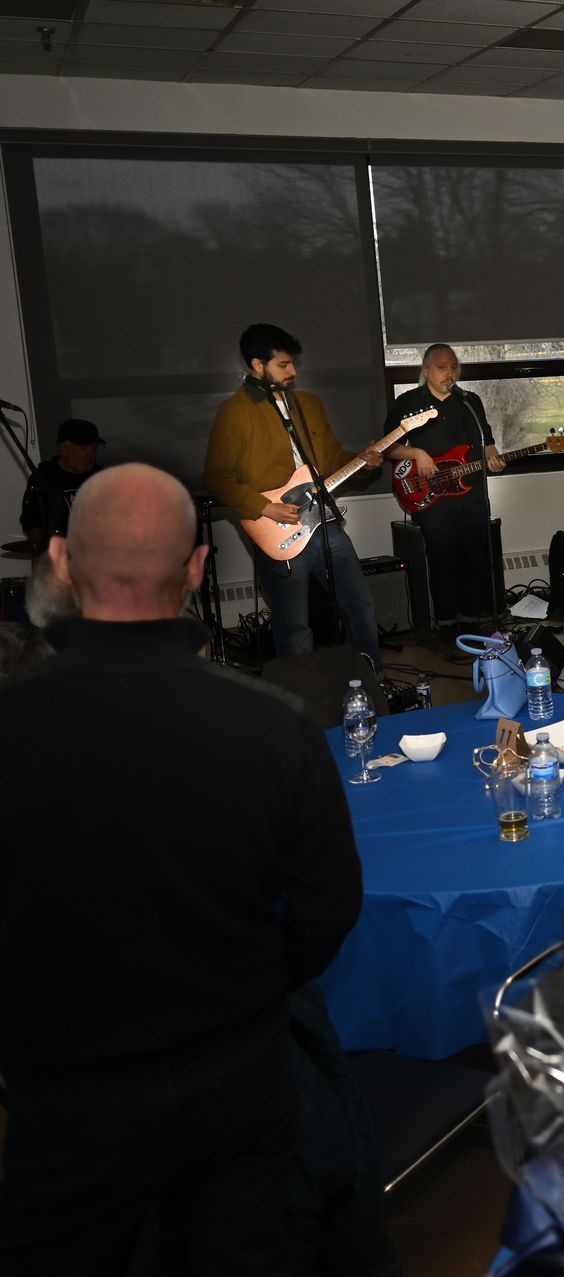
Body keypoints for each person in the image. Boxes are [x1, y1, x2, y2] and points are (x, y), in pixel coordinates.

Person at [0, 463, 363, 1272]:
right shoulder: (276, 726)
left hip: (65, 1089)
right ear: (198, 569)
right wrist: (252, 985)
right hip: (239, 1074)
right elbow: (330, 907)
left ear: (61, 563)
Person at [202, 323, 388, 671]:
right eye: (284, 364)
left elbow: (331, 459)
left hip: (323, 523)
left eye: (293, 363)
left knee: (360, 605)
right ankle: (302, 694)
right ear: (258, 365)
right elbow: (216, 478)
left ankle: (371, 679)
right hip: (278, 530)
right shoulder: (234, 412)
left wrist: (362, 462)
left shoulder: (309, 404)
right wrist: (266, 507)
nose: (294, 371)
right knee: (294, 625)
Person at [384, 344, 505, 629]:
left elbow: (487, 442)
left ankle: (471, 619)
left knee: (475, 556)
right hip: (432, 494)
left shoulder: (470, 401)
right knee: (442, 558)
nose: (449, 373)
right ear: (426, 370)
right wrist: (417, 453)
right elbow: (387, 447)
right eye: (442, 367)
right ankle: (447, 621)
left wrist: (494, 459)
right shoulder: (408, 402)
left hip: (472, 492)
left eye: (453, 367)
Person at [17, 417, 102, 553]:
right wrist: (45, 544)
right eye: (84, 448)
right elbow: (31, 521)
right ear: (64, 449)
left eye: (94, 448)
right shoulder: (44, 476)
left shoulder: (100, 476)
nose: (90, 454)